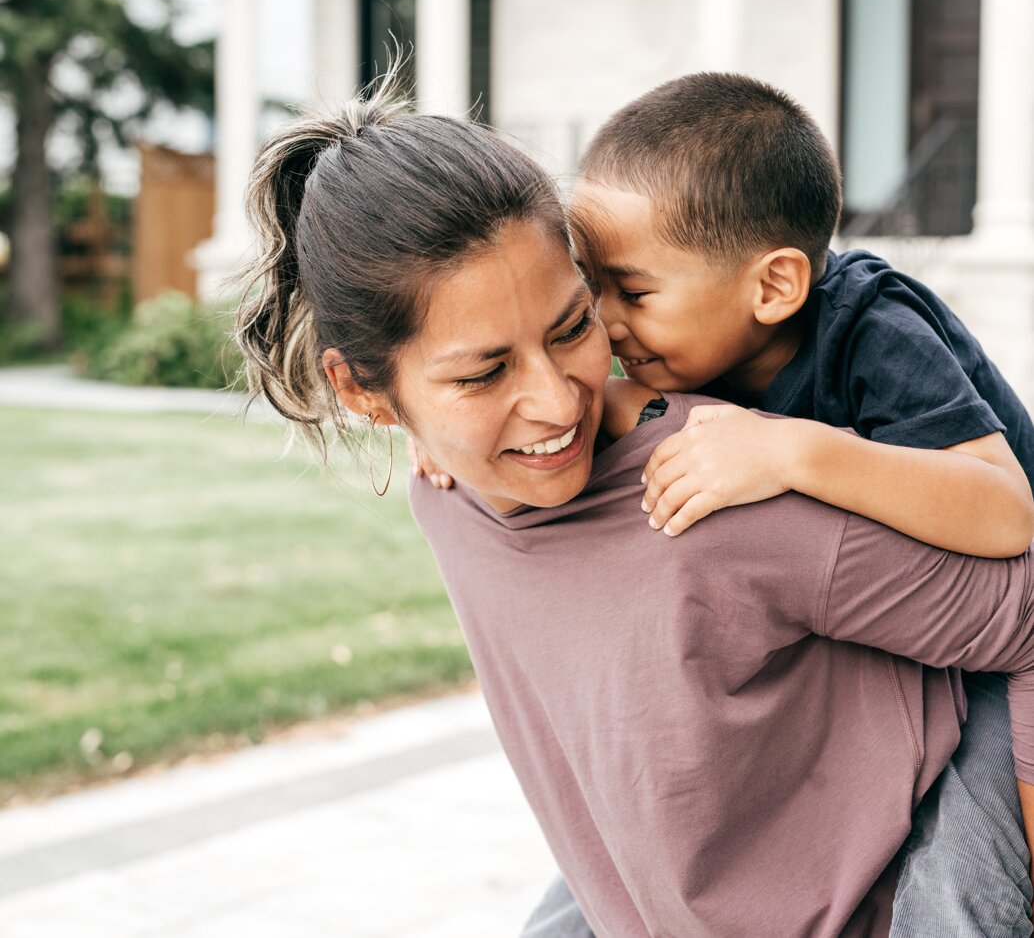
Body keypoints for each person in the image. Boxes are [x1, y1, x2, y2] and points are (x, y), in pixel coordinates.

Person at [235, 83, 1034, 936]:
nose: (560, 398)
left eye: (574, 325)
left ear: (775, 286)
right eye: (481, 374)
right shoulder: (450, 492)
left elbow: (1009, 531)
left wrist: (793, 449)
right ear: (366, 393)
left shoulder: (800, 400)